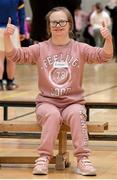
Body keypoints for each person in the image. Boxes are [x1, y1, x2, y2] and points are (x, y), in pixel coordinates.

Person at [4, 6, 113, 176]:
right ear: (49, 26)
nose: (58, 25)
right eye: (54, 22)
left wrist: (108, 40)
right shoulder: (40, 48)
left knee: (77, 114)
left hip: (73, 103)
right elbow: (14, 56)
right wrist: (6, 37)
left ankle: (83, 159)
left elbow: (105, 56)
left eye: (62, 21)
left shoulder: (80, 48)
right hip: (47, 102)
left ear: (70, 24)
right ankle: (43, 158)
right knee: (52, 115)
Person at [0, 0, 25, 91]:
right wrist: (22, 31)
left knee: (0, 59)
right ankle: (10, 83)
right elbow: (22, 15)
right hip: (12, 29)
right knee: (11, 59)